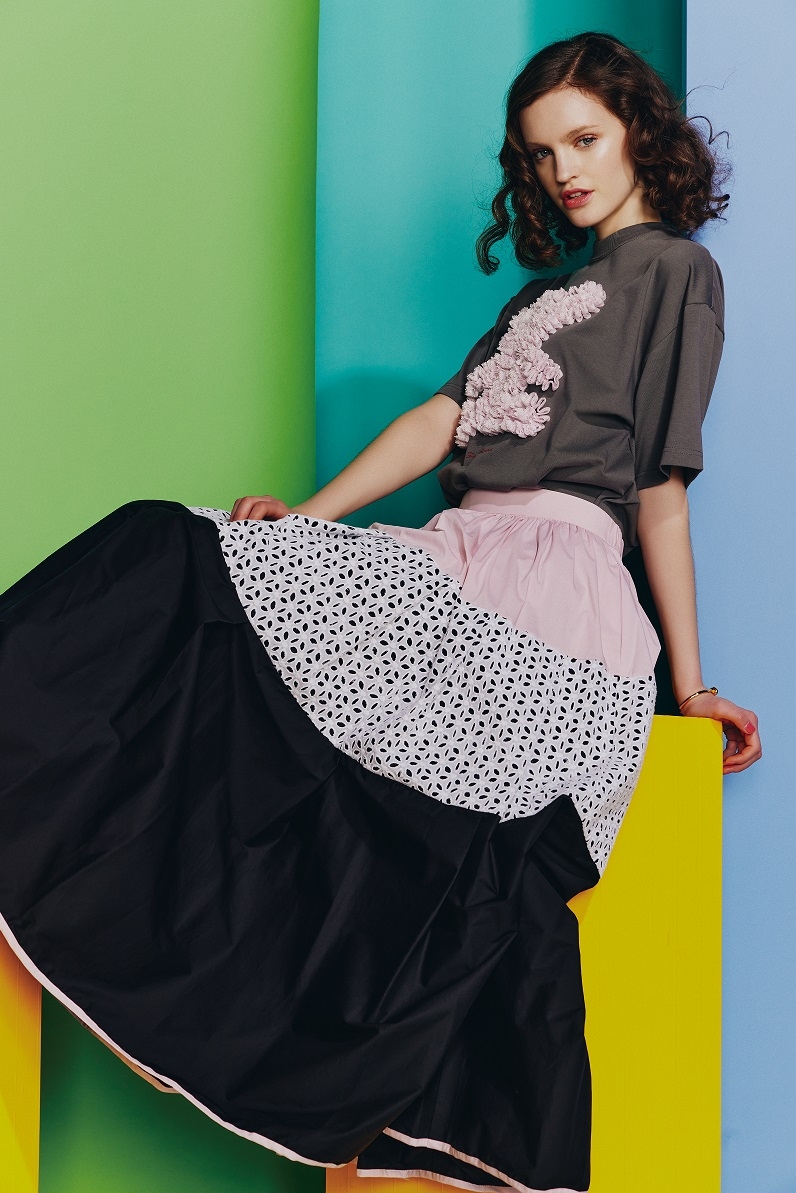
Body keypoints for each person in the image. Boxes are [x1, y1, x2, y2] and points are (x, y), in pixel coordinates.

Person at [0, 30, 761, 1193]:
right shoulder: (547, 294)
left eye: (583, 139)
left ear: (637, 132)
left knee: (416, 836)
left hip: (553, 581)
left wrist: (690, 683)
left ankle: (287, 1033)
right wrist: (305, 518)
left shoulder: (674, 274)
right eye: (542, 152)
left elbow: (658, 489)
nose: (563, 170)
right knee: (171, 550)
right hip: (457, 549)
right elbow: (434, 423)